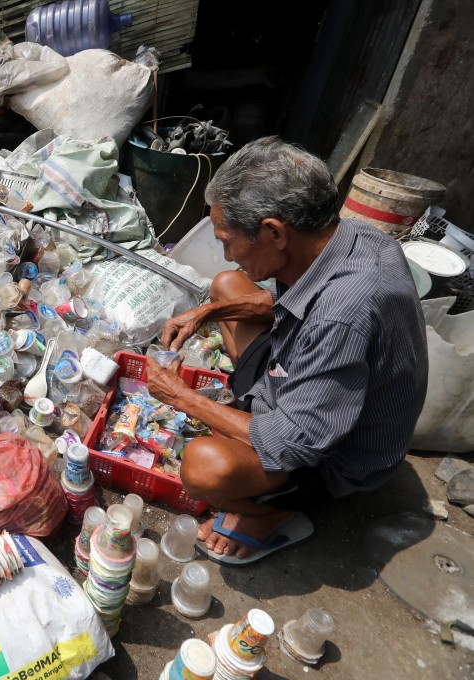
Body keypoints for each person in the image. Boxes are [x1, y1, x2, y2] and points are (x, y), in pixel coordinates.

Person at [145, 136, 428, 566]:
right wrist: (209, 311)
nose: (228, 254)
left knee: (203, 467)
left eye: (228, 240)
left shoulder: (345, 311)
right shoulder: (347, 236)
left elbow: (295, 442)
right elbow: (284, 302)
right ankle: (251, 438)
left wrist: (180, 397)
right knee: (225, 285)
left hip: (334, 453)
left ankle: (273, 511)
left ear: (275, 232)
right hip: (295, 369)